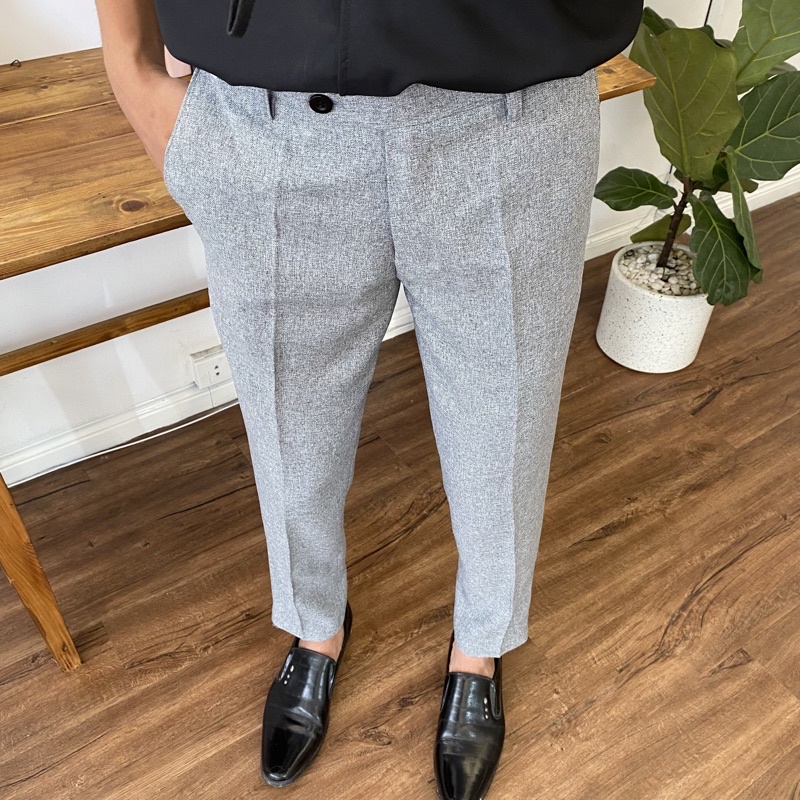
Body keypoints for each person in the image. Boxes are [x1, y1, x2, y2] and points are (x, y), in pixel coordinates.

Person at [94, 2, 643, 797]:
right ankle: (313, 626)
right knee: (290, 430)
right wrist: (132, 71)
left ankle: (481, 644)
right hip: (268, 119)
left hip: (513, 116)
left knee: (505, 430)